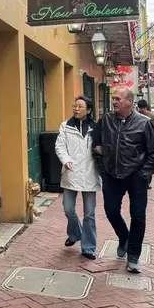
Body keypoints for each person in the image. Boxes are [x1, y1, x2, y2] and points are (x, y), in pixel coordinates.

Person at [92, 87, 154, 274]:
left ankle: (133, 256)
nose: (114, 102)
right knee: (111, 211)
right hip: (112, 175)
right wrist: (103, 171)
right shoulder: (106, 120)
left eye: (118, 99)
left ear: (130, 102)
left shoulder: (144, 123)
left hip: (136, 177)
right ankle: (124, 237)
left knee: (138, 216)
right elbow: (96, 146)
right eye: (113, 99)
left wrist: (142, 174)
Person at [55, 96, 101, 260]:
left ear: (88, 110)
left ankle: (88, 247)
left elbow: (101, 147)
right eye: (74, 106)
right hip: (71, 171)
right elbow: (60, 146)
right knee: (68, 209)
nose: (76, 109)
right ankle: (75, 234)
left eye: (80, 106)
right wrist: (66, 160)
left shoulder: (96, 128)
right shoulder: (66, 126)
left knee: (89, 213)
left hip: (90, 173)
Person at [137, 100, 154, 189]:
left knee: (148, 162)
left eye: (144, 108)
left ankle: (148, 182)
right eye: (140, 108)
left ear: (146, 108)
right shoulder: (136, 116)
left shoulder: (152, 117)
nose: (142, 110)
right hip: (139, 143)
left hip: (149, 143)